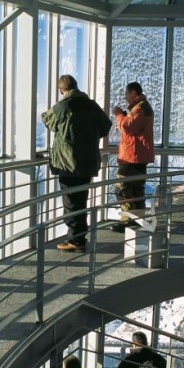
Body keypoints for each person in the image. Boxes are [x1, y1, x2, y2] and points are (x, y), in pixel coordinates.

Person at [42, 74, 112, 253]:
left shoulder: (63, 106)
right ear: (76, 86)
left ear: (61, 90)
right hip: (87, 162)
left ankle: (76, 240)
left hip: (67, 163)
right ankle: (79, 237)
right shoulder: (91, 104)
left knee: (71, 203)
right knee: (81, 200)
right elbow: (106, 126)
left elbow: (47, 120)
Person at [111, 82, 155, 232]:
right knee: (136, 190)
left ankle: (128, 220)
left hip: (132, 156)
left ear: (134, 93)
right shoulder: (142, 107)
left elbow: (127, 127)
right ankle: (138, 220)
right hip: (137, 156)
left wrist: (118, 114)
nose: (125, 97)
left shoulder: (140, 108)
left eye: (127, 93)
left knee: (122, 188)